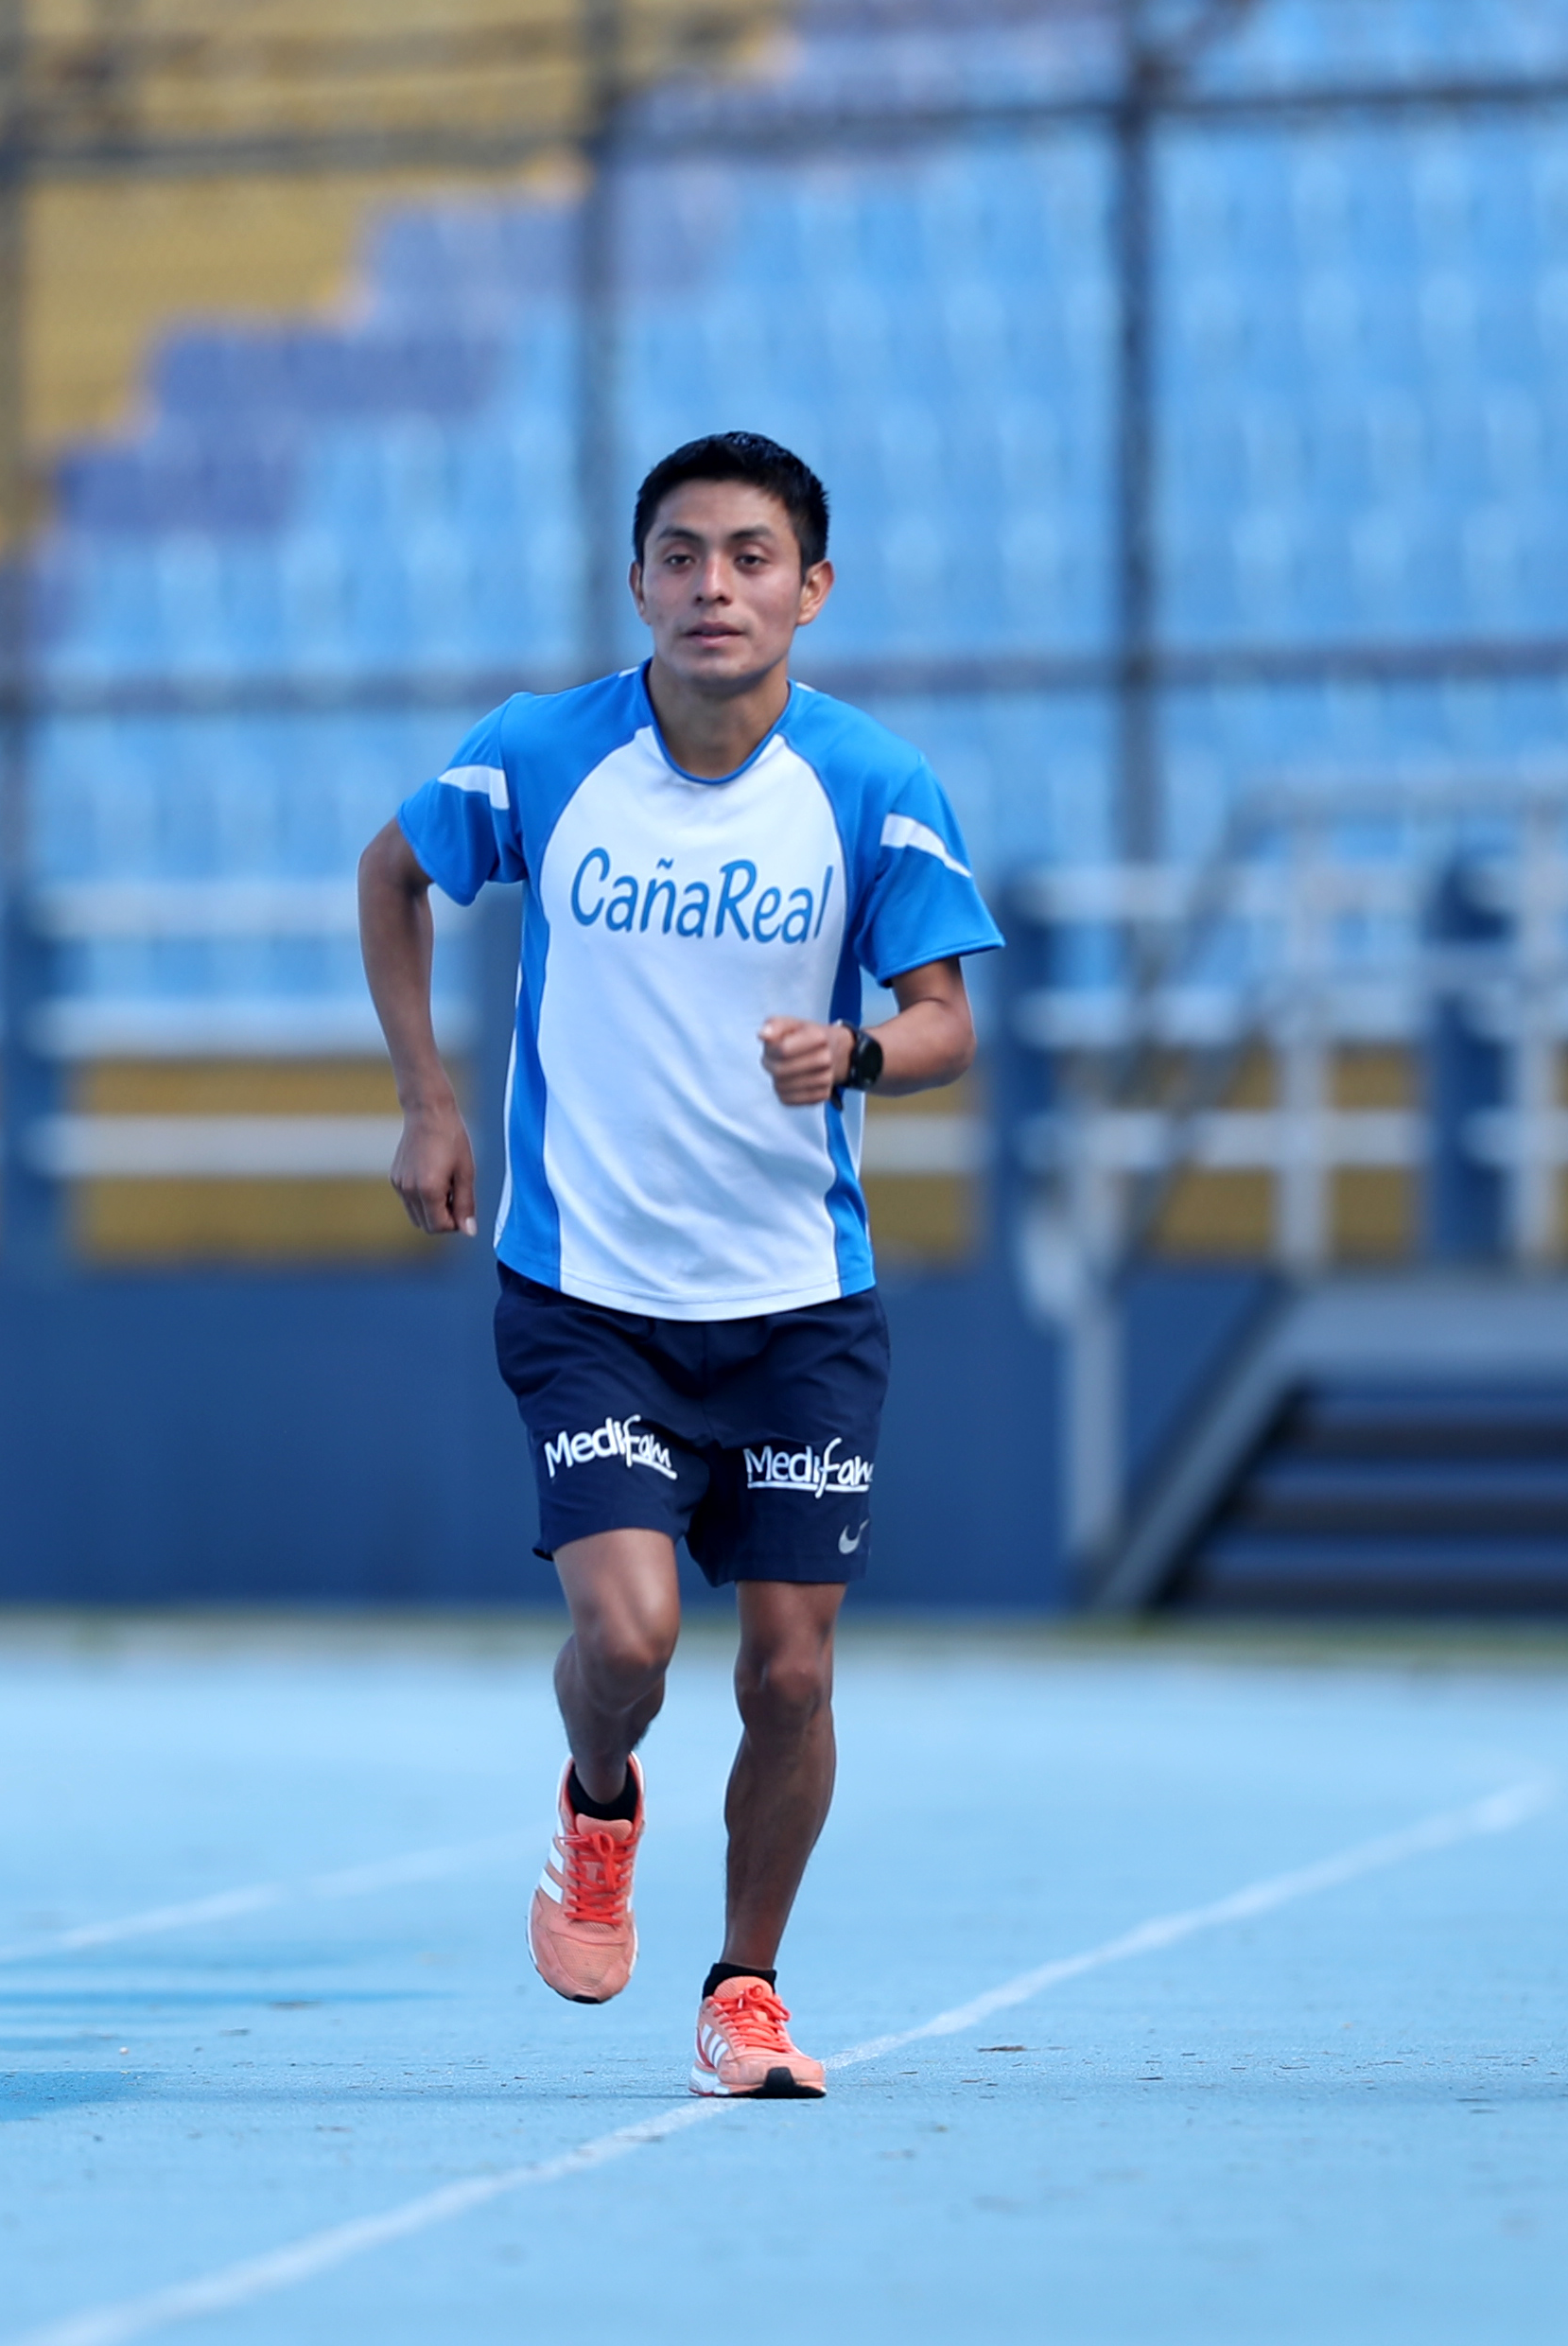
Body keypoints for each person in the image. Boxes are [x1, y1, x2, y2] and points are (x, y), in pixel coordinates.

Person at [357, 429, 1001, 2100]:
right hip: (587, 1297)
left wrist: (857, 1055)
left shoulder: (871, 784)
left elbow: (948, 1026)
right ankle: (596, 1804)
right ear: (637, 580)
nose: (716, 586)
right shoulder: (544, 751)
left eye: (752, 557)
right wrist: (430, 1099)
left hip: (799, 1306)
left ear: (812, 588)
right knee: (633, 1644)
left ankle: (748, 1990)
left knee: (789, 1667)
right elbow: (393, 873)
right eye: (683, 555)